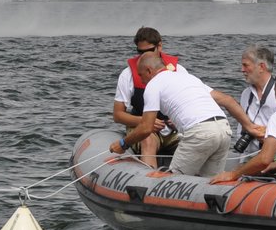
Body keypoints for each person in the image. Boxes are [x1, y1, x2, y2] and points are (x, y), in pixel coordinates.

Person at [120, 50, 259, 177]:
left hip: (200, 133)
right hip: (224, 130)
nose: (141, 79)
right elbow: (227, 100)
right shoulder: (189, 78)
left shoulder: (153, 85)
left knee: (171, 183)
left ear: (149, 70)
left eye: (140, 75)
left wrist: (123, 144)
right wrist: (250, 127)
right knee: (210, 184)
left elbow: (146, 128)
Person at [111, 27, 185, 166]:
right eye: (140, 52)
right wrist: (144, 122)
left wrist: (178, 122)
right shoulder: (127, 75)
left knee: (194, 141)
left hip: (174, 130)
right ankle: (150, 182)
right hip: (144, 129)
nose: (144, 55)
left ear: (160, 46)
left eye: (149, 51)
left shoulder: (179, 71)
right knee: (147, 140)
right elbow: (118, 115)